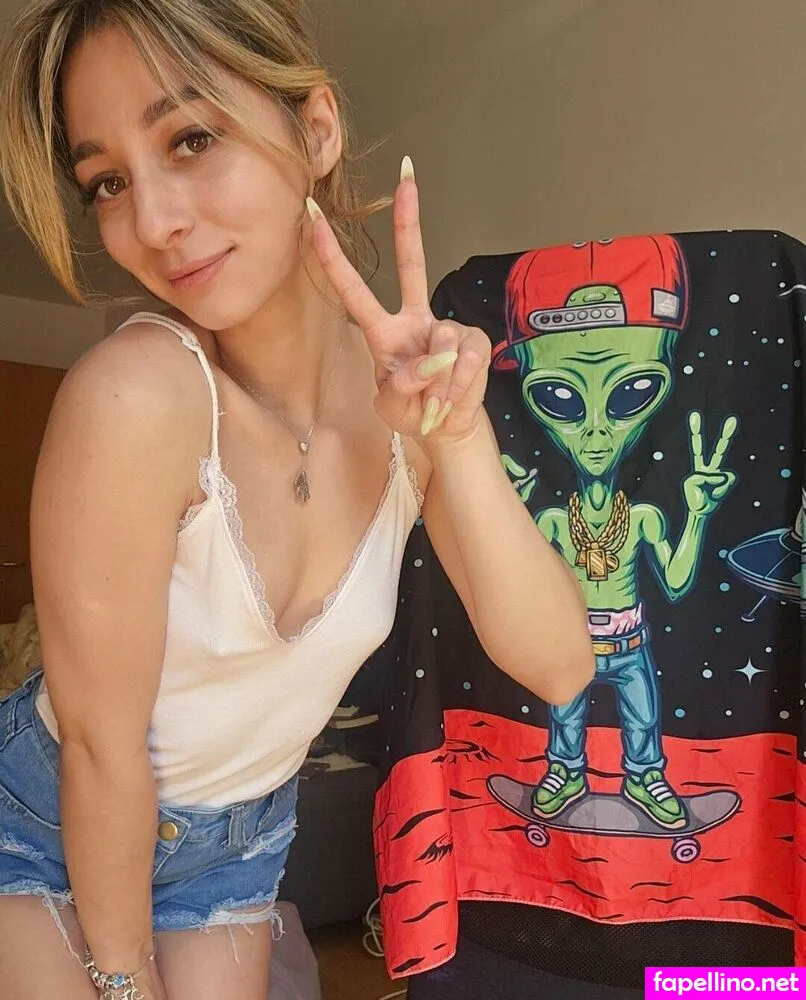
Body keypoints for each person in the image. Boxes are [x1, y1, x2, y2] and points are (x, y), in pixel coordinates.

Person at [0, 1, 594, 998]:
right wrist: (122, 979)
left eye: (190, 138)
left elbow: (559, 661)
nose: (151, 222)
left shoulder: (407, 410)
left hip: (238, 843)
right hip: (48, 820)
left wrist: (457, 441)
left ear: (315, 131)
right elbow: (101, 748)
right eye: (108, 181)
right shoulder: (138, 395)